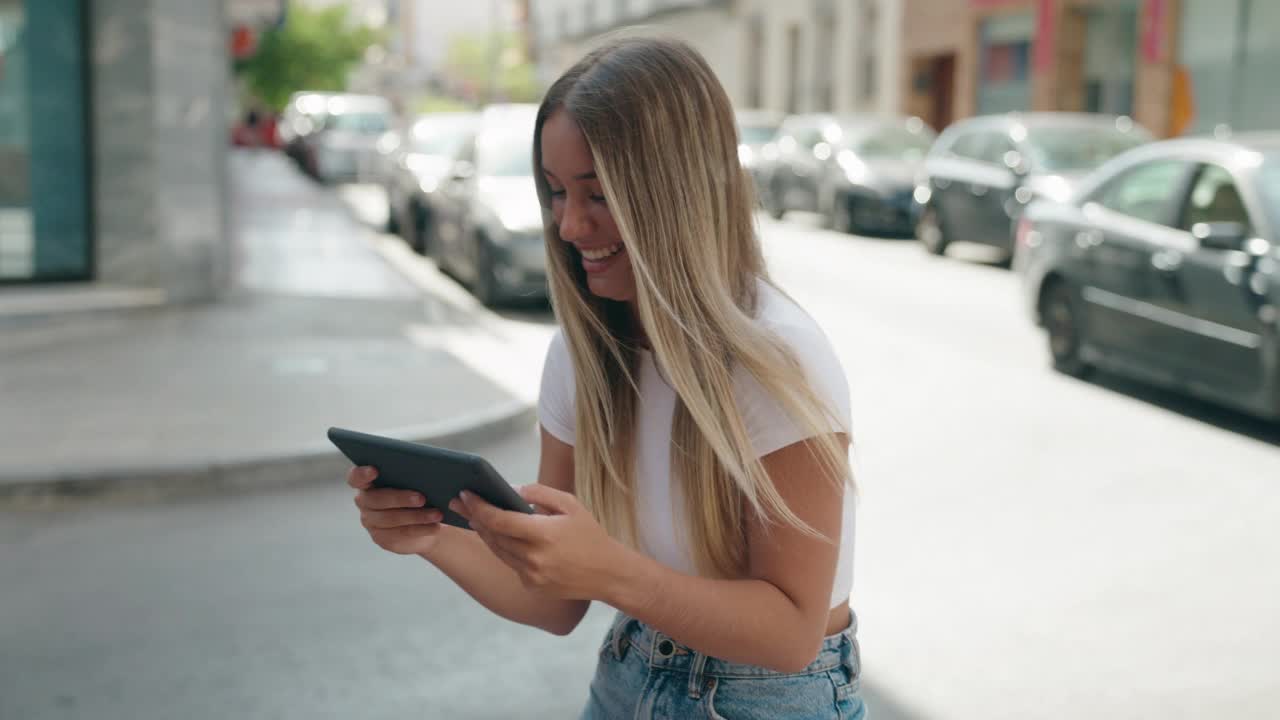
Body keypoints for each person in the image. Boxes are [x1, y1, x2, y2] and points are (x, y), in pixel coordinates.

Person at [347, 36, 863, 719]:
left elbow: (792, 633)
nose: (568, 225)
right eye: (556, 192)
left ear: (677, 191)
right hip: (629, 671)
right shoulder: (584, 353)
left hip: (768, 699)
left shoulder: (775, 359)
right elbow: (555, 600)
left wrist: (612, 571)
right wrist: (428, 536)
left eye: (599, 194)